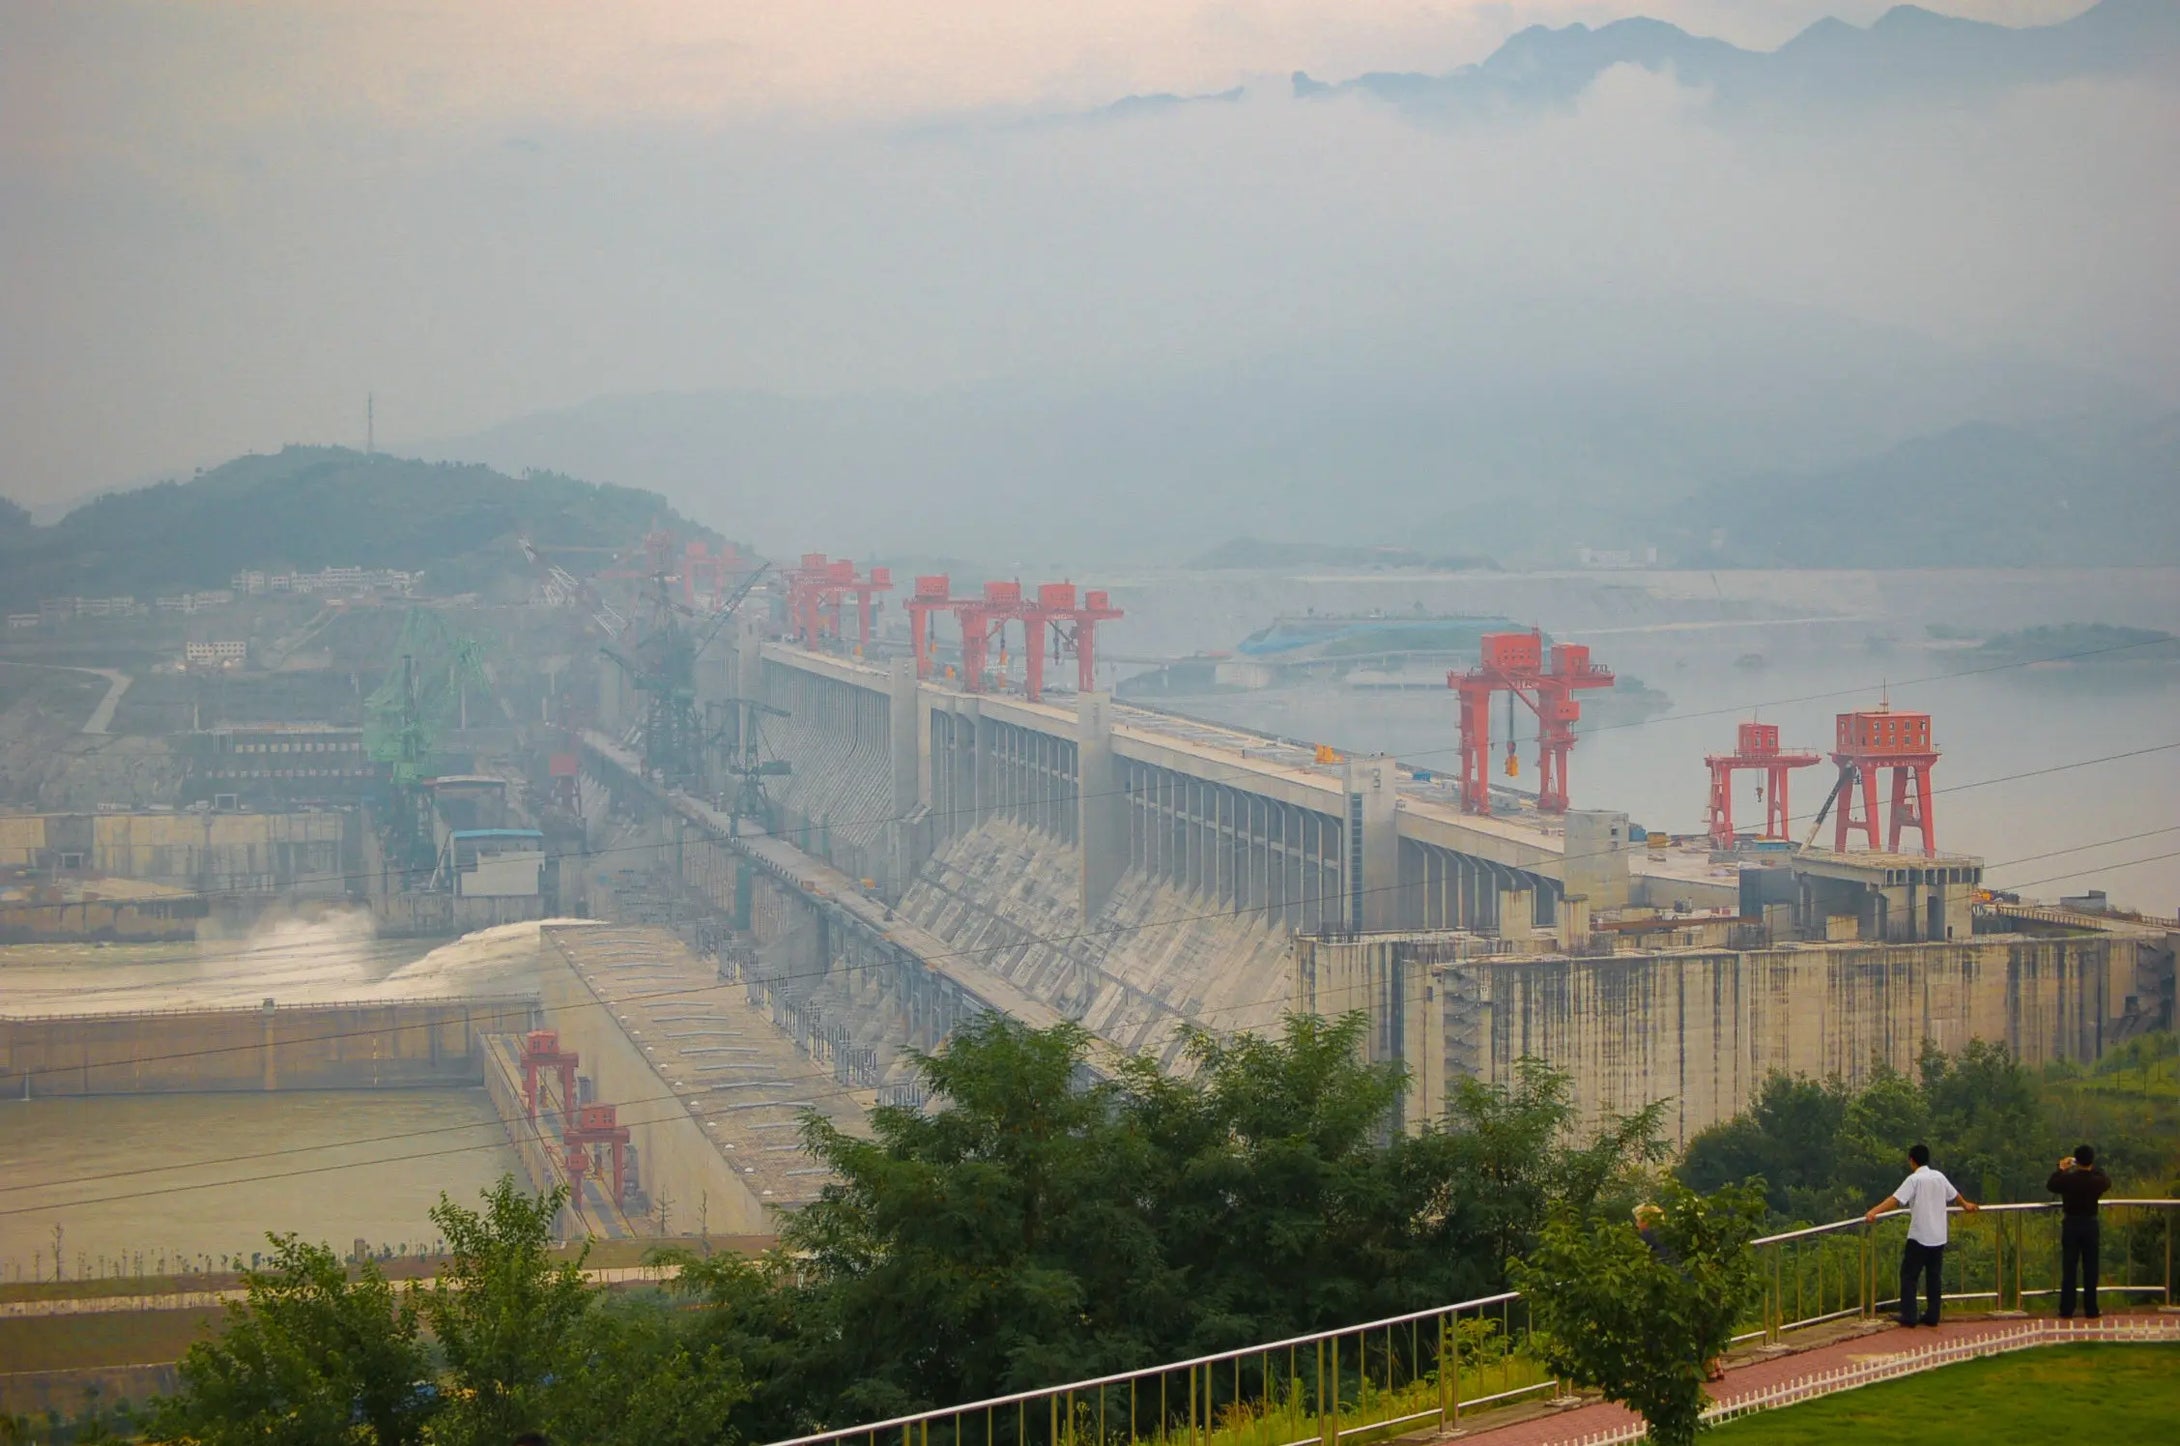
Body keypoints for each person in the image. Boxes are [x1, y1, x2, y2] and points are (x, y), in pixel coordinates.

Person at [1864, 1142, 1979, 1327]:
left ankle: (1909, 1315)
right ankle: (1933, 1315)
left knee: (1909, 1276)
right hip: (1939, 1236)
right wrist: (1966, 1205)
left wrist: (1873, 1212)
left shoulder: (1914, 1180)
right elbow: (1954, 1194)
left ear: (1912, 1161)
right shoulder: (1939, 1177)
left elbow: (1895, 1200)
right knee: (1934, 1277)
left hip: (1919, 1236)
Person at [2048, 1144, 2112, 1319]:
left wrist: (2061, 1169)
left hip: (2071, 1224)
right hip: (2090, 1224)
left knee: (2069, 1267)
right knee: (2091, 1268)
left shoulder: (2068, 1179)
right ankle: (2091, 1308)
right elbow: (2106, 1179)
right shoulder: (2096, 1180)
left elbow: (2051, 1185)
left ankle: (2066, 1308)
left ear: (2076, 1161)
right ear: (2091, 1160)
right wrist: (2092, 1167)